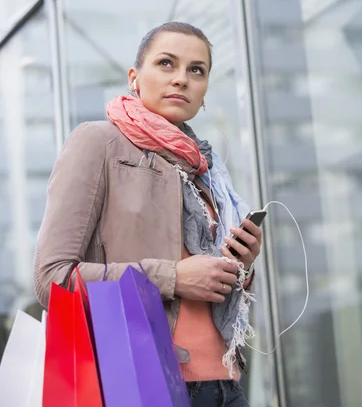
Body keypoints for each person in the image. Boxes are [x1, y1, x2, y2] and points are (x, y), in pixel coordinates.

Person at [34, 22, 262, 407]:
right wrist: (173, 277)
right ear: (135, 78)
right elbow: (52, 278)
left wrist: (241, 265)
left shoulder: (205, 169)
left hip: (226, 386)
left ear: (205, 89)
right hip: (146, 384)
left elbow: (206, 287)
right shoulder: (98, 143)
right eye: (166, 63)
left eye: (196, 70)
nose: (182, 80)